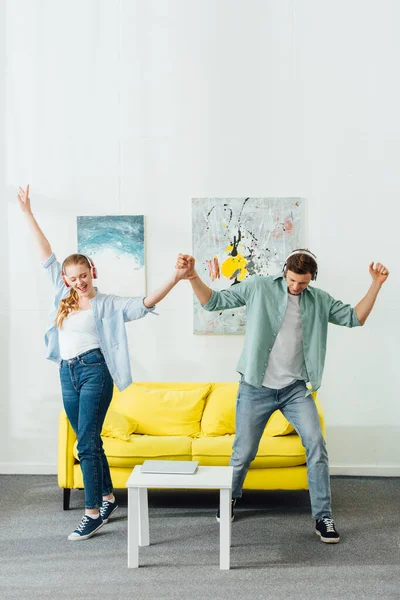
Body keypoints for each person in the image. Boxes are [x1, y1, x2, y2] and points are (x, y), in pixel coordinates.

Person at [176, 249, 389, 543]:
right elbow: (213, 302)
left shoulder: (319, 300)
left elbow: (355, 318)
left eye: (302, 283)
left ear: (311, 279)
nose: (296, 287)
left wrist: (376, 284)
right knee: (243, 452)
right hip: (256, 387)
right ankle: (230, 497)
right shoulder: (259, 287)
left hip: (296, 389)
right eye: (292, 280)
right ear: (284, 271)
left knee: (316, 444)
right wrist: (192, 277)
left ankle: (322, 516)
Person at [18, 184, 187, 541]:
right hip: (68, 372)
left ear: (93, 273)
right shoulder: (61, 293)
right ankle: (108, 496)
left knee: (87, 444)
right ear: (66, 279)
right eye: (73, 278)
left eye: (84, 276)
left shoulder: (108, 304)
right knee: (87, 439)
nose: (79, 282)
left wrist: (174, 278)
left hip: (96, 371)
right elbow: (45, 252)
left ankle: (92, 511)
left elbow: (142, 304)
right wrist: (27, 212)